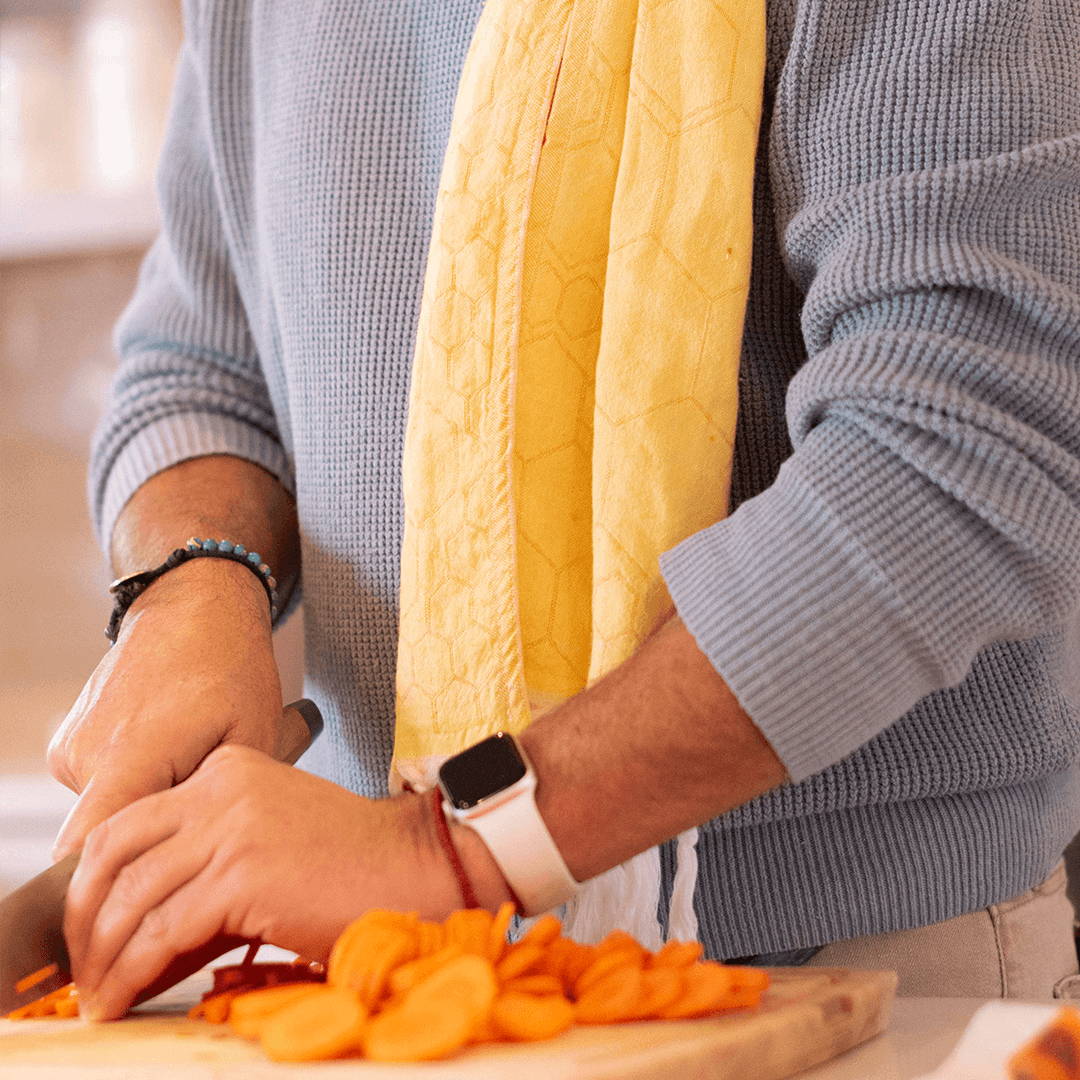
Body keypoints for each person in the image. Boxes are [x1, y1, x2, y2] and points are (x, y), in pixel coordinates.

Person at [48, 0, 1080, 1021]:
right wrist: (190, 591)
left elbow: (953, 451)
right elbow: (201, 364)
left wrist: (447, 846)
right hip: (393, 965)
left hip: (848, 967)